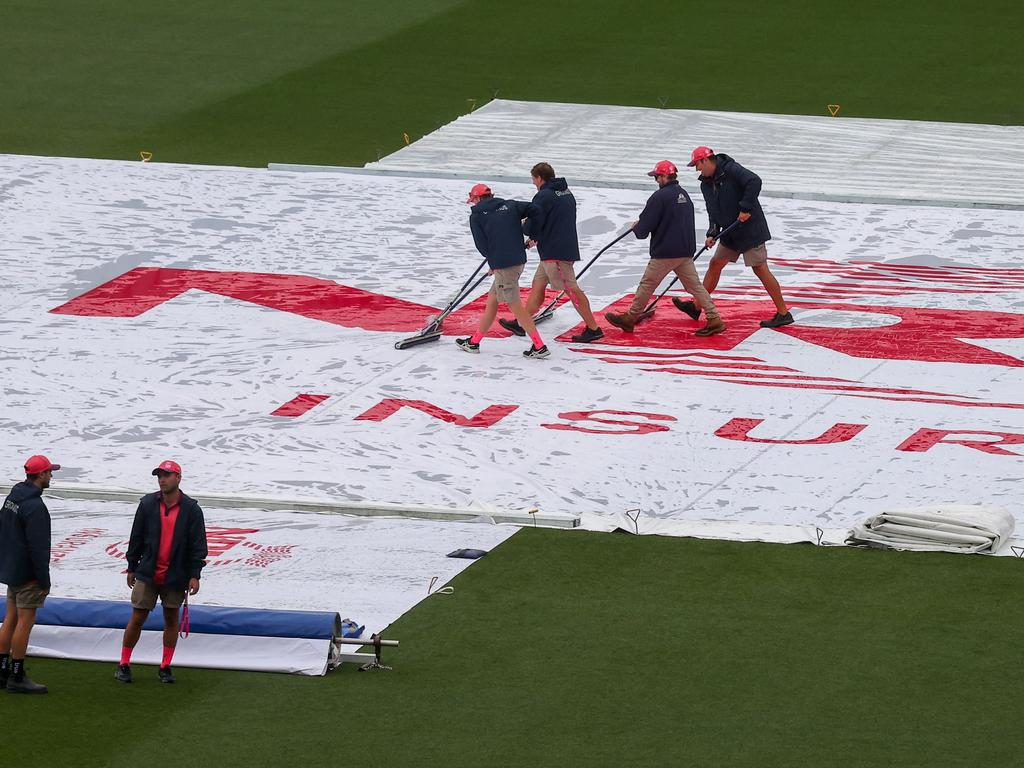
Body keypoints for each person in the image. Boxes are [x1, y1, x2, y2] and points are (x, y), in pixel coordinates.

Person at [675, 146, 794, 328]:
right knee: (715, 264)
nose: (697, 169)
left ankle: (783, 313)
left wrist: (745, 208)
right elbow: (712, 211)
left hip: (749, 229)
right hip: (730, 232)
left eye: (697, 165)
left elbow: (754, 181)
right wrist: (712, 232)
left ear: (706, 160)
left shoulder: (731, 169)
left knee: (760, 269)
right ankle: (696, 307)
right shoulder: (705, 184)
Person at [605, 161, 725, 336]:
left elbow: (645, 226)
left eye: (657, 177)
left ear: (664, 177)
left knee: (647, 284)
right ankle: (714, 318)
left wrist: (637, 227)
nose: (656, 181)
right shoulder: (683, 194)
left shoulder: (659, 197)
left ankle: (630, 319)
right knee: (695, 287)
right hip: (685, 251)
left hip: (665, 252)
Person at [116, 460, 207, 684]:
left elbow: (198, 544)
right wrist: (131, 565)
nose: (162, 479)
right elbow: (136, 536)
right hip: (148, 571)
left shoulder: (191, 509)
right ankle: (123, 664)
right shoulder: (147, 504)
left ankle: (165, 666)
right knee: (137, 617)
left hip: (176, 574)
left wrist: (195, 574)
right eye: (159, 476)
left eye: (166, 475)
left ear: (178, 478)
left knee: (171, 619)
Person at [498, 162, 604, 344]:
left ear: (539, 178)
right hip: (557, 248)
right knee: (538, 285)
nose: (533, 183)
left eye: (533, 179)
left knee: (572, 290)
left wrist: (526, 228)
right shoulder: (566, 192)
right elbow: (554, 220)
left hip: (556, 253)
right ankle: (521, 323)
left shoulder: (543, 196)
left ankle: (593, 328)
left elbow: (533, 222)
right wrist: (537, 237)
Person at [456, 183, 550, 359]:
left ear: (476, 199)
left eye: (473, 200)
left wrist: (494, 261)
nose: (473, 204)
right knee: (492, 302)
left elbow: (482, 244)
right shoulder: (511, 205)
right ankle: (474, 341)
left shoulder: (476, 216)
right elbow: (536, 210)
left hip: (505, 266)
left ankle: (539, 346)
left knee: (516, 307)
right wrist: (533, 234)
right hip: (517, 260)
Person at [0, 455, 60, 694]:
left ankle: (2, 670)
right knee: (25, 621)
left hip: (11, 570)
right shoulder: (36, 507)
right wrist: (44, 580)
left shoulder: (14, 495)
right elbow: (39, 548)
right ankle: (17, 674)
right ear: (41, 475)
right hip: (27, 575)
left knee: (10, 619)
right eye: (49, 472)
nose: (51, 476)